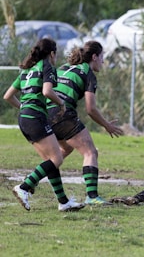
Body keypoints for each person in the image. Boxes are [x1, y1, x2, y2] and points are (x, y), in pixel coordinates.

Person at [3, 38, 85, 212]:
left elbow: (8, 96)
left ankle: (63, 202)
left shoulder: (27, 71)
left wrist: (24, 107)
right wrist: (61, 104)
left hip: (24, 118)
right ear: (52, 53)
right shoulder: (46, 66)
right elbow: (47, 91)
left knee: (51, 161)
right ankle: (24, 187)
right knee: (57, 159)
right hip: (36, 118)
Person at [47, 40, 124, 205]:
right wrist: (107, 125)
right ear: (94, 57)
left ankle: (28, 183)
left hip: (45, 113)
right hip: (62, 114)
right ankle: (92, 197)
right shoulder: (88, 73)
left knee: (64, 149)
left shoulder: (62, 68)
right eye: (102, 57)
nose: (103, 61)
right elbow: (91, 109)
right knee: (90, 152)